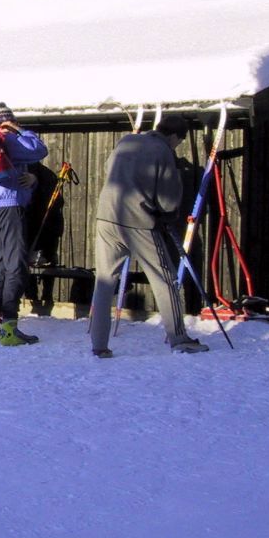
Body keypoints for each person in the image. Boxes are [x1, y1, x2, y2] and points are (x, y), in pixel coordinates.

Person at [90, 114, 209, 357]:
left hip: (106, 217)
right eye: (179, 141)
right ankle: (179, 338)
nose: (177, 146)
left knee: (104, 281)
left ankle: (99, 345)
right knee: (164, 279)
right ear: (174, 136)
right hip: (138, 220)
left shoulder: (126, 141)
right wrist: (167, 211)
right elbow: (167, 200)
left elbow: (108, 170)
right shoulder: (163, 151)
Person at [0, 103, 48, 346]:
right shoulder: (8, 138)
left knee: (0, 268)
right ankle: (9, 326)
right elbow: (39, 150)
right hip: (10, 209)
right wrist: (18, 129)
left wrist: (33, 178)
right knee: (16, 266)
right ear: (7, 121)